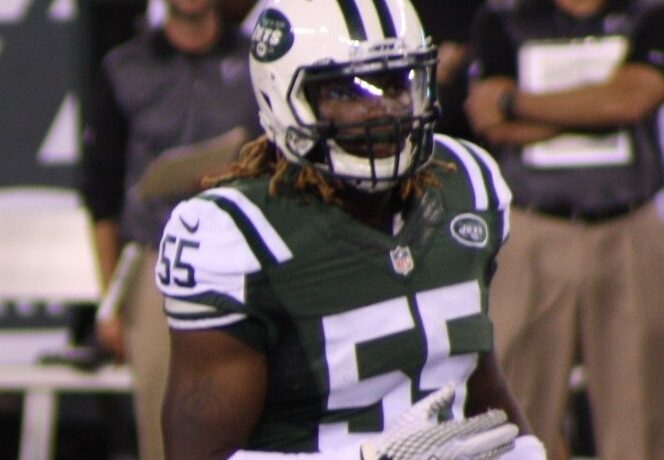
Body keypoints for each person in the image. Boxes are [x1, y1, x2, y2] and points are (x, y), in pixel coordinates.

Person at [155, 0, 546, 458]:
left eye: (396, 84)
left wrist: (526, 449)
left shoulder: (466, 184)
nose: (380, 110)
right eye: (346, 92)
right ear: (283, 96)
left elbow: (469, 374)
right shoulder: (236, 235)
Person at [463, 1, 664, 459]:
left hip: (628, 227)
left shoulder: (648, 12)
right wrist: (598, 108)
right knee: (512, 416)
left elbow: (632, 100)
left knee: (642, 415)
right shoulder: (504, 16)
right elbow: (489, 119)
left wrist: (517, 102)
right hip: (532, 229)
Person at [79, 0, 260, 458]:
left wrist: (233, 174)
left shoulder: (257, 60)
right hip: (157, 259)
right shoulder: (124, 68)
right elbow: (101, 196)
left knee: (257, 412)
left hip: (247, 253)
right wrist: (109, 303)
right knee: (165, 419)